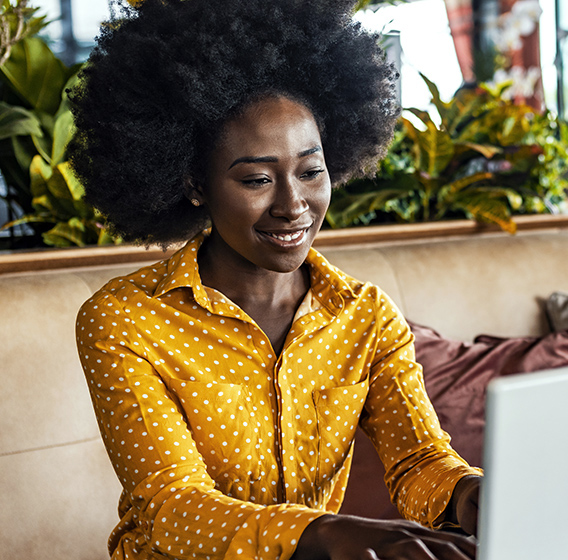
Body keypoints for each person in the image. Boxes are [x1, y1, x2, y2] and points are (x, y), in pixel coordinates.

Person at [70, 0, 482, 558]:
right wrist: (329, 532)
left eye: (311, 172)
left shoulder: (365, 316)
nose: (294, 205)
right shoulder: (127, 320)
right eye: (258, 179)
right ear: (195, 184)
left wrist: (469, 495)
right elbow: (170, 505)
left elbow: (419, 462)